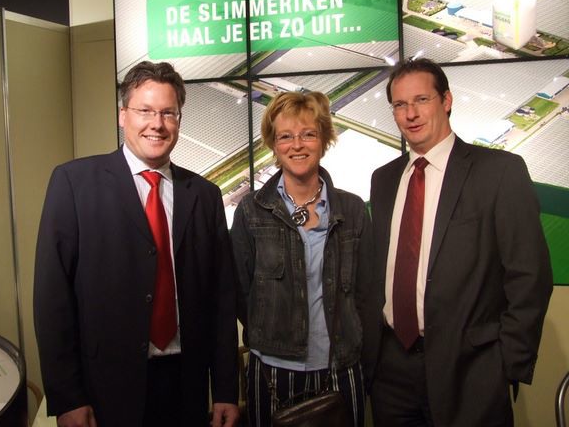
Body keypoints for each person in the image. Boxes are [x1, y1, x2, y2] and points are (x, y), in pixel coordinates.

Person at [33, 61, 239, 427]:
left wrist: (225, 389)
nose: (157, 123)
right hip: (105, 390)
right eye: (145, 111)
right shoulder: (74, 184)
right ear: (122, 115)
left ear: (179, 120)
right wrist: (68, 397)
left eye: (168, 113)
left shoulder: (204, 195)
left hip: (185, 386)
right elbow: (53, 299)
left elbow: (221, 299)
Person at [362, 57, 553, 426]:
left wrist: (505, 364)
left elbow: (530, 275)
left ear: (446, 100)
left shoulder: (499, 172)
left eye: (421, 100)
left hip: (471, 372)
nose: (410, 114)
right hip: (391, 373)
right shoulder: (383, 180)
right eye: (400, 105)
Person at [231, 91, 372, 427]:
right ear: (273, 144)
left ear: (324, 140)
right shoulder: (251, 211)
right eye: (285, 136)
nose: (297, 145)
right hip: (273, 372)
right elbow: (239, 291)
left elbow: (367, 292)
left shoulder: (352, 210)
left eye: (308, 134)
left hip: (341, 367)